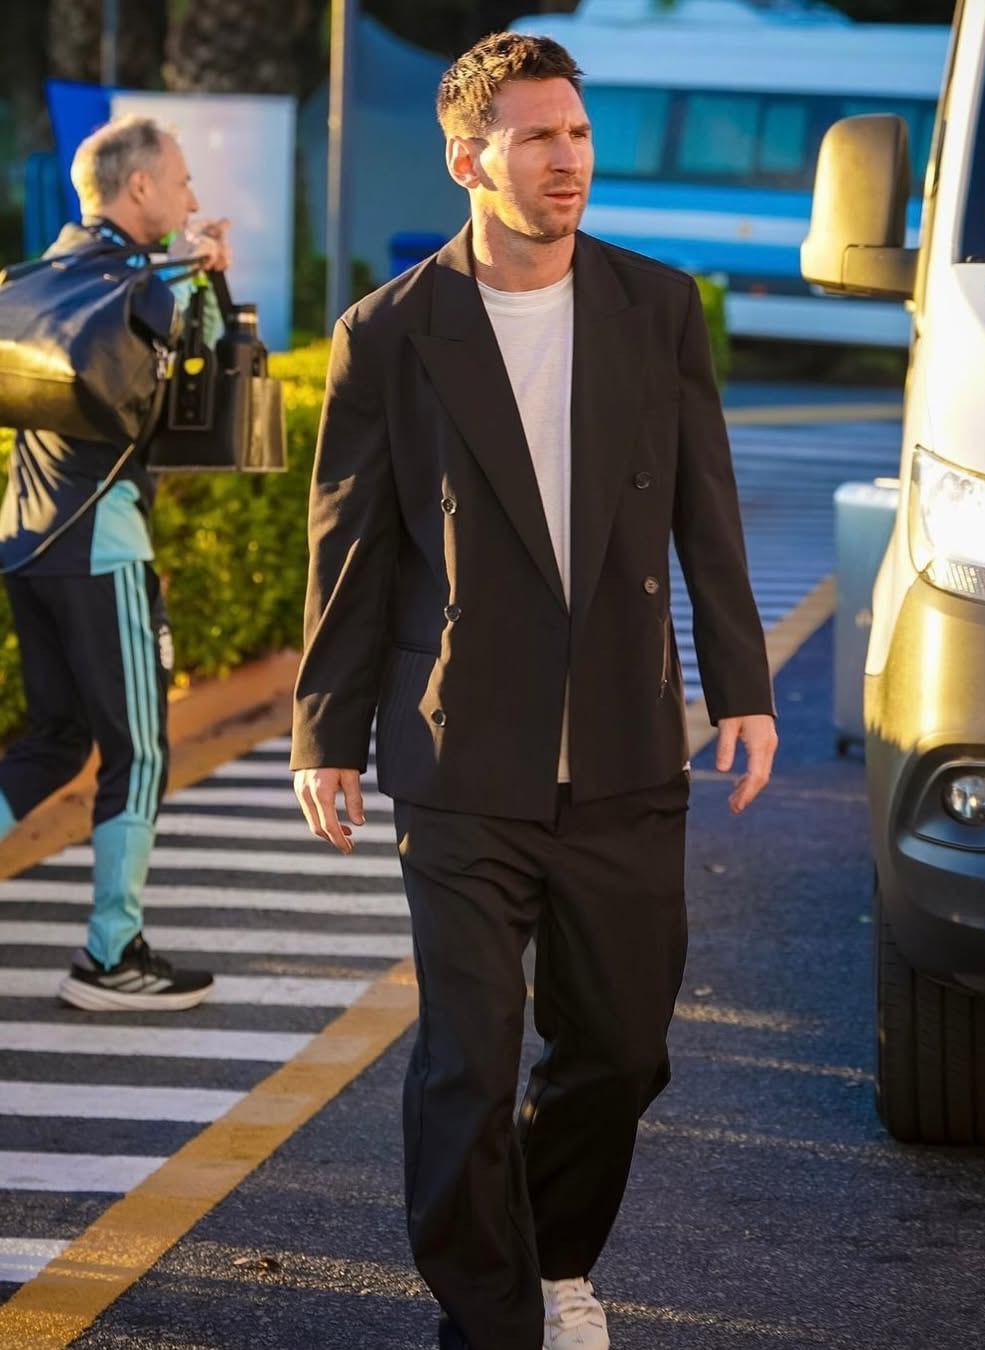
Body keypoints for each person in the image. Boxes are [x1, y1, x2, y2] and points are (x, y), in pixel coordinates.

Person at [292, 31, 778, 1350]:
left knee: (621, 1051)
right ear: (469, 159)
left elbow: (707, 511)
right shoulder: (390, 334)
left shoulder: (654, 306)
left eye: (577, 132)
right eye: (539, 138)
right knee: (466, 1061)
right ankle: (493, 1316)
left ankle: (560, 1256)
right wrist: (323, 736)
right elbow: (353, 543)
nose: (570, 160)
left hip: (624, 748)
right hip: (462, 756)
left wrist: (744, 684)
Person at [0, 116, 231, 1011]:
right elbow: (210, 399)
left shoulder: (49, 273)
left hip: (26, 540)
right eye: (179, 181)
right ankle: (111, 955)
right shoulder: (146, 286)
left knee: (55, 741)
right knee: (137, 753)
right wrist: (207, 279)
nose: (192, 199)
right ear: (138, 190)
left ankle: (113, 948)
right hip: (102, 543)